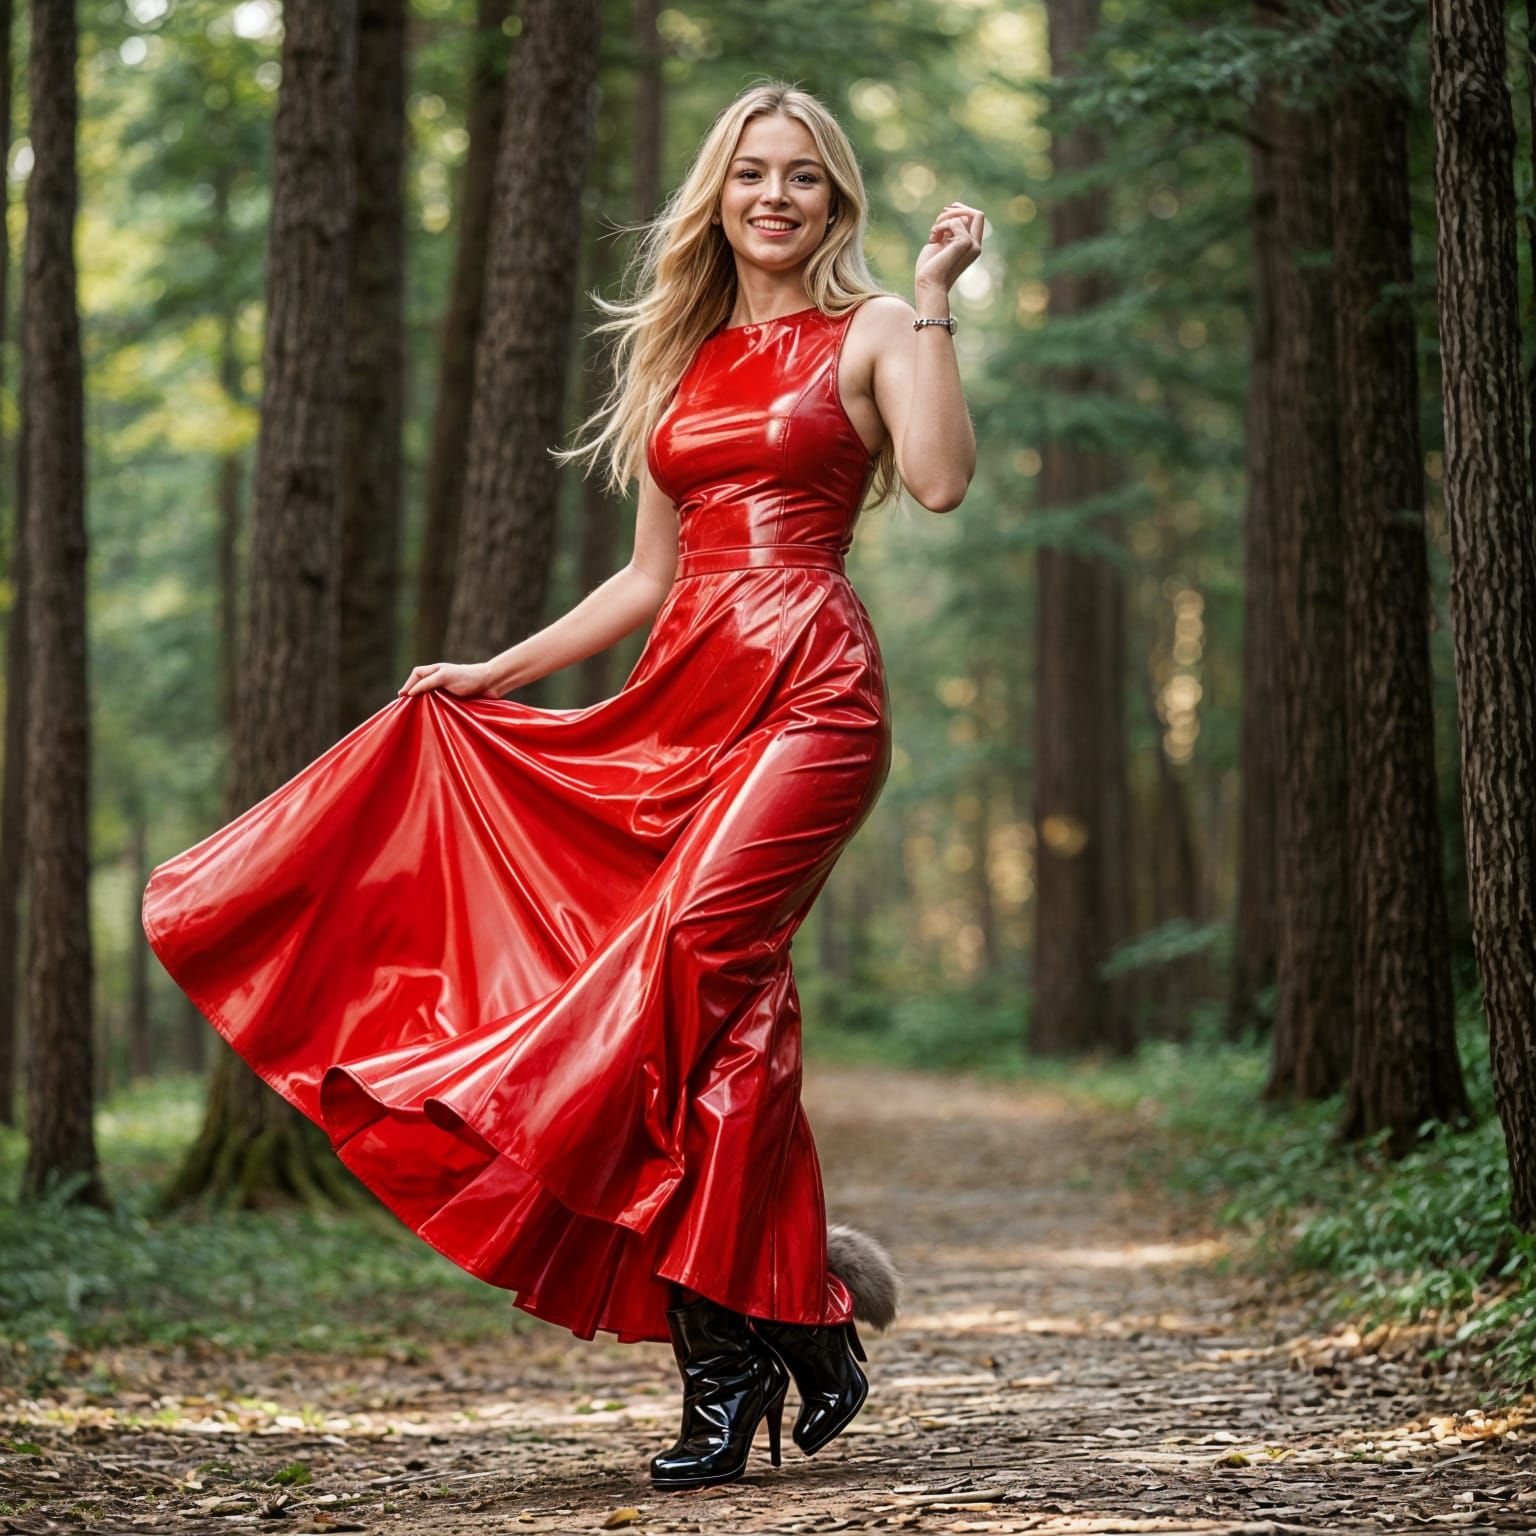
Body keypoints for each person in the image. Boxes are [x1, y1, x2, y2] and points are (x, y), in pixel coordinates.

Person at [140, 80, 980, 1493]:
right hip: (685, 690)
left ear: (839, 202)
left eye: (805, 178)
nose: (775, 197)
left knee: (697, 952)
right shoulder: (685, 356)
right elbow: (647, 578)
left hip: (813, 689)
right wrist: (496, 672)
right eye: (750, 175)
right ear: (717, 196)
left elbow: (943, 480)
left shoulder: (881, 326)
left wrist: (943, 293)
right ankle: (776, 1343)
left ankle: (762, 1343)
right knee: (722, 1021)